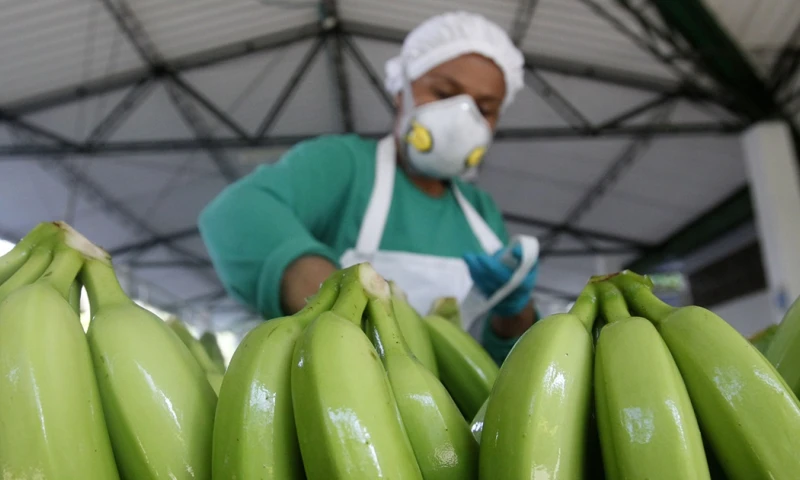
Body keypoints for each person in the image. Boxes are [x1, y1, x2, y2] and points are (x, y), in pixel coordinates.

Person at [198, 11, 539, 364]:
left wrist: (515, 310)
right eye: (443, 92)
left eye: (484, 108)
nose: (463, 118)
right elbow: (235, 214)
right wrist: (339, 308)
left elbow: (506, 364)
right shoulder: (346, 166)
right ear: (400, 92)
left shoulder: (481, 213)